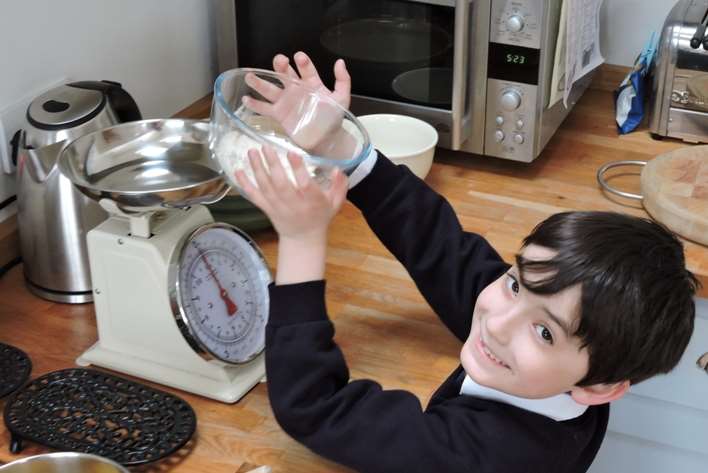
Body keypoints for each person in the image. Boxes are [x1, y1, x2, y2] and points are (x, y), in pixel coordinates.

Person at [233, 52, 699, 473]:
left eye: (544, 332)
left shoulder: (491, 456)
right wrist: (340, 146)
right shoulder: (557, 366)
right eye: (517, 284)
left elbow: (315, 408)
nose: (497, 321)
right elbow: (445, 251)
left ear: (600, 389)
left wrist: (301, 238)